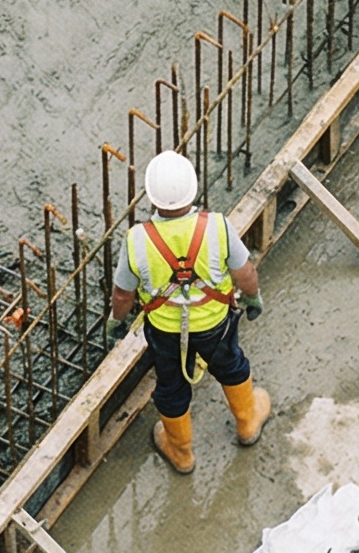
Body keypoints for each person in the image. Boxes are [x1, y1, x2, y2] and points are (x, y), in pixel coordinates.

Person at [111, 149, 268, 474]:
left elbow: (122, 294)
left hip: (165, 332)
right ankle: (247, 424)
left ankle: (181, 453)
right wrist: (252, 297)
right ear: (192, 189)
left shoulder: (136, 239)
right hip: (215, 324)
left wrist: (117, 321)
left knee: (170, 385)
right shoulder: (218, 227)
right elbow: (246, 274)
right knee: (231, 365)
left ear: (152, 198)